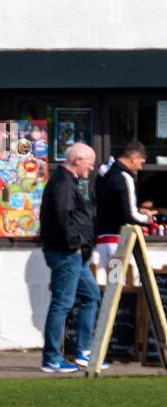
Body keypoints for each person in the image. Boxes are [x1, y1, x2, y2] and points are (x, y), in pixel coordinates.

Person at [38, 142, 98, 373]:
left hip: (74, 255)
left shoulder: (67, 181)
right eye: (90, 164)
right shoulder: (63, 183)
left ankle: (83, 351)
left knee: (91, 295)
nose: (90, 169)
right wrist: (75, 245)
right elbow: (64, 217)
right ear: (78, 160)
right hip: (66, 253)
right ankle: (52, 359)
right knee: (62, 303)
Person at [94, 140, 154, 287]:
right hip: (117, 244)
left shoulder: (103, 175)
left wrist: (136, 210)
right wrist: (147, 218)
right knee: (118, 288)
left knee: (107, 289)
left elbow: (113, 206)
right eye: (141, 161)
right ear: (133, 157)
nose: (141, 166)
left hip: (101, 241)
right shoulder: (124, 177)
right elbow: (130, 216)